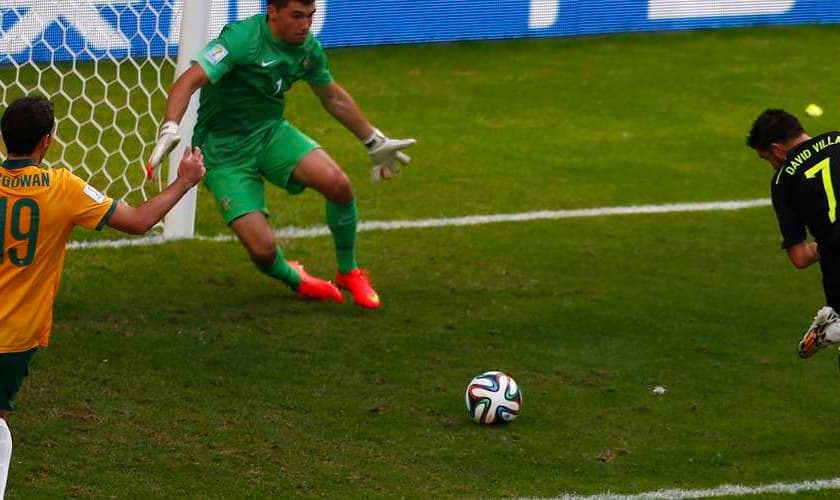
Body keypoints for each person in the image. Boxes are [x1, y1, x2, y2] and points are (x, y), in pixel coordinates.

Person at [146, 0, 415, 309]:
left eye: (310, 16)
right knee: (263, 251)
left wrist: (373, 141)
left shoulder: (308, 49)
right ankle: (294, 277)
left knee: (338, 184)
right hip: (223, 153)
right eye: (297, 16)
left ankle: (348, 271)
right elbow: (189, 80)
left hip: (269, 133)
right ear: (272, 11)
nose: (305, 25)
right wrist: (169, 127)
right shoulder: (241, 40)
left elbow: (333, 97)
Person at [0, 95, 205, 497]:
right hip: (12, 336)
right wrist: (184, 180)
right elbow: (140, 221)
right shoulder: (62, 188)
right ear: (46, 141)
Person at [746, 108, 840, 359]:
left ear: (777, 149)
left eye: (767, 159)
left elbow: (799, 257)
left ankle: (835, 329)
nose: (772, 166)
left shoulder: (783, 181)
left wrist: (828, 242)